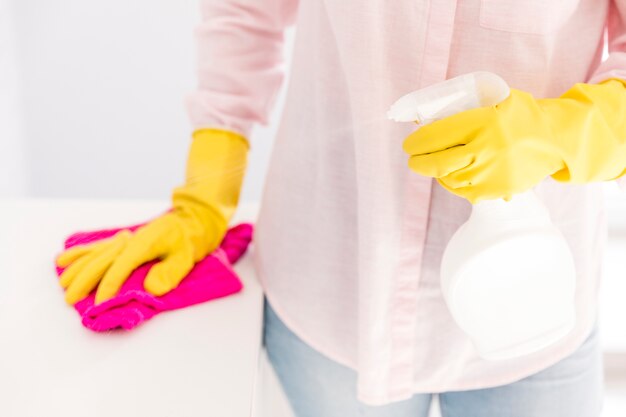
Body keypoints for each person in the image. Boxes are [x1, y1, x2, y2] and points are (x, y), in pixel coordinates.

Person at [57, 1, 626, 415]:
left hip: (535, 306)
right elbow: (245, 13)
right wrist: (206, 194)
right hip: (327, 292)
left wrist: (562, 133)